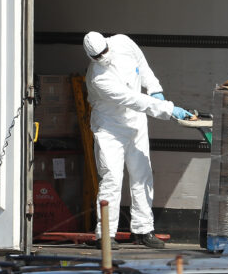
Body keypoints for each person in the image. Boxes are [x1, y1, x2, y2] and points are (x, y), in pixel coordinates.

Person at [83, 31, 193, 249]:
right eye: (98, 56)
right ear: (91, 57)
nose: (103, 56)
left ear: (107, 43)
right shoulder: (98, 77)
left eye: (104, 51)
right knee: (112, 178)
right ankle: (105, 234)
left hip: (136, 123)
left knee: (142, 175)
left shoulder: (123, 42)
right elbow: (131, 99)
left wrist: (155, 89)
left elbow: (142, 65)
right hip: (109, 126)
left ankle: (143, 230)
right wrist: (168, 109)